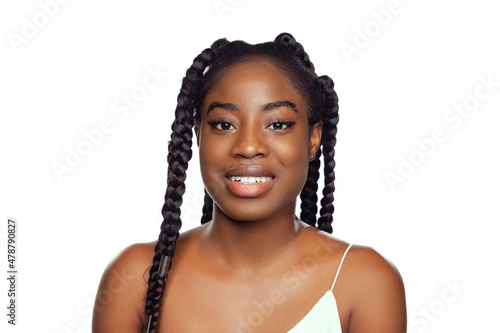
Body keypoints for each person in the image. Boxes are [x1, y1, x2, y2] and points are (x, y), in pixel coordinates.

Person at [92, 32, 406, 333]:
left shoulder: (365, 281)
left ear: (313, 139)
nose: (248, 146)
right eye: (224, 124)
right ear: (198, 135)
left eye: (278, 124)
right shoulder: (136, 277)